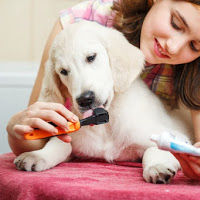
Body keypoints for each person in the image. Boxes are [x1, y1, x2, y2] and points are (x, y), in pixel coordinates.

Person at [6, 0, 200, 180]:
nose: (173, 47)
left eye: (195, 45)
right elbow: (39, 135)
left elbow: (180, 142)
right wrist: (16, 127)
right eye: (175, 23)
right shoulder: (79, 27)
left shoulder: (186, 72)